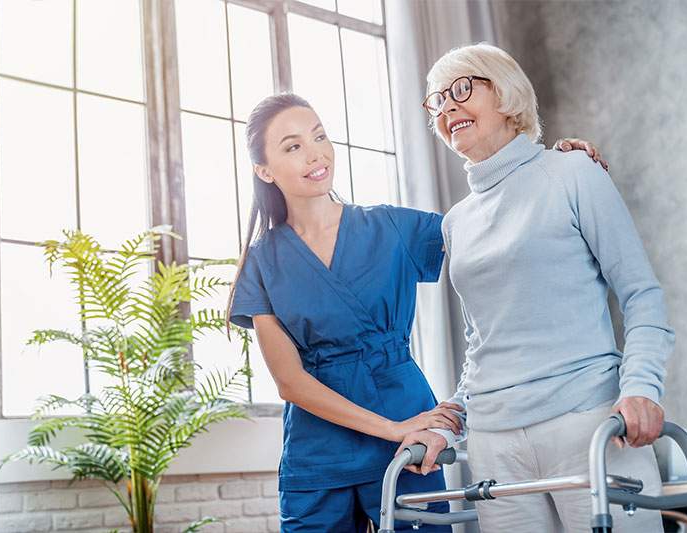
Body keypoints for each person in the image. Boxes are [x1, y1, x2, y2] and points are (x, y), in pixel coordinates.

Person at [227, 92, 602, 531]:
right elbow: (289, 382)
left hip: (412, 436)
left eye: (320, 136)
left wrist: (552, 171)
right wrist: (390, 429)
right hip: (321, 450)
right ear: (264, 170)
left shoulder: (393, 228)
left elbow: (495, 228)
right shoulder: (262, 260)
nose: (315, 154)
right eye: (293, 146)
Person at [397, 43, 673, 533]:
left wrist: (641, 388)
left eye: (462, 89)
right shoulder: (455, 223)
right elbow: (484, 341)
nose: (448, 107)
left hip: (589, 424)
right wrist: (453, 413)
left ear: (506, 94)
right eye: (437, 100)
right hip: (493, 443)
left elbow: (640, 294)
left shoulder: (572, 172)